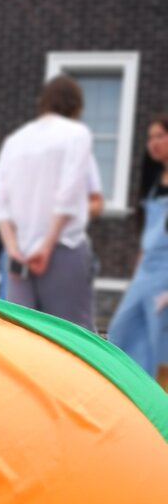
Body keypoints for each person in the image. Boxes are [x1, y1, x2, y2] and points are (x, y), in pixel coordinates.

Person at [0, 75, 96, 328]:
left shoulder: (15, 141)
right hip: (62, 248)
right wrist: (46, 246)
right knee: (72, 337)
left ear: (44, 102)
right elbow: (69, 195)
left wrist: (12, 248)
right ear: (76, 106)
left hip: (19, 254)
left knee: (21, 335)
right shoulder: (77, 134)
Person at [107, 112, 168, 385]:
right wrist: (138, 270)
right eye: (150, 137)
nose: (153, 143)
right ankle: (133, 398)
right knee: (121, 331)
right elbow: (148, 233)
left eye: (160, 136)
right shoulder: (154, 181)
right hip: (145, 274)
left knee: (161, 349)